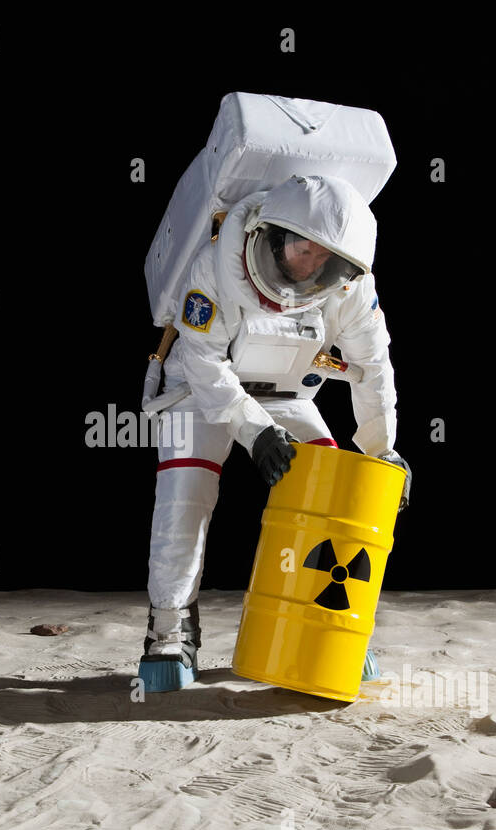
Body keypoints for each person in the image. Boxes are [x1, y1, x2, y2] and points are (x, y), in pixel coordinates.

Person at [142, 174, 411, 691]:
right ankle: (170, 628)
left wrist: (383, 450)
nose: (306, 265)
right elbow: (201, 360)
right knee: (186, 494)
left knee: (340, 491)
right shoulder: (217, 266)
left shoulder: (351, 289)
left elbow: (373, 365)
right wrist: (254, 430)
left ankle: (324, 625)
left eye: (321, 259)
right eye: (299, 248)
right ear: (268, 235)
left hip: (286, 394)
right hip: (198, 392)